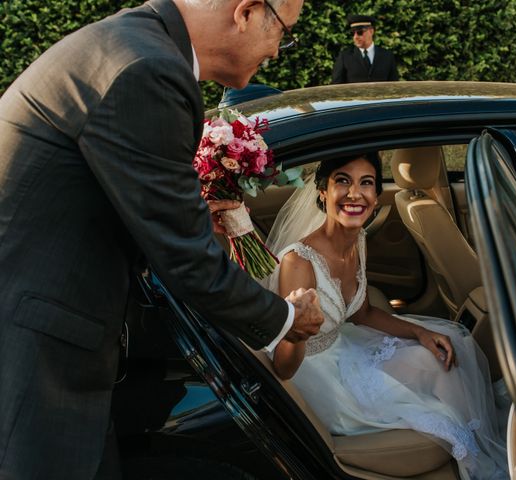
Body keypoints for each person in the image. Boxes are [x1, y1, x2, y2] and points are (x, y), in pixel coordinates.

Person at [0, 1, 323, 479]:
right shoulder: (150, 71)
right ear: (248, 11)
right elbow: (188, 262)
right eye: (285, 32)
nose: (279, 51)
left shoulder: (135, 44)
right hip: (34, 354)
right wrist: (288, 318)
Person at [264, 152, 508, 480]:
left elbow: (362, 312)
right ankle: (476, 466)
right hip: (316, 375)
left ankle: (484, 453)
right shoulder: (299, 262)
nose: (355, 193)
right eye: (342, 181)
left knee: (445, 354)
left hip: (345, 347)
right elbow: (282, 366)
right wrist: (296, 331)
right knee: (440, 408)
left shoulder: (357, 238)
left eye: (366, 183)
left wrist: (419, 332)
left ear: (377, 195)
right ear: (322, 191)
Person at [331, 14, 400, 84]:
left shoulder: (387, 56)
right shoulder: (345, 57)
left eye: (359, 32)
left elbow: (394, 86)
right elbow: (336, 87)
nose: (355, 37)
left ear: (371, 31)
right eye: (352, 33)